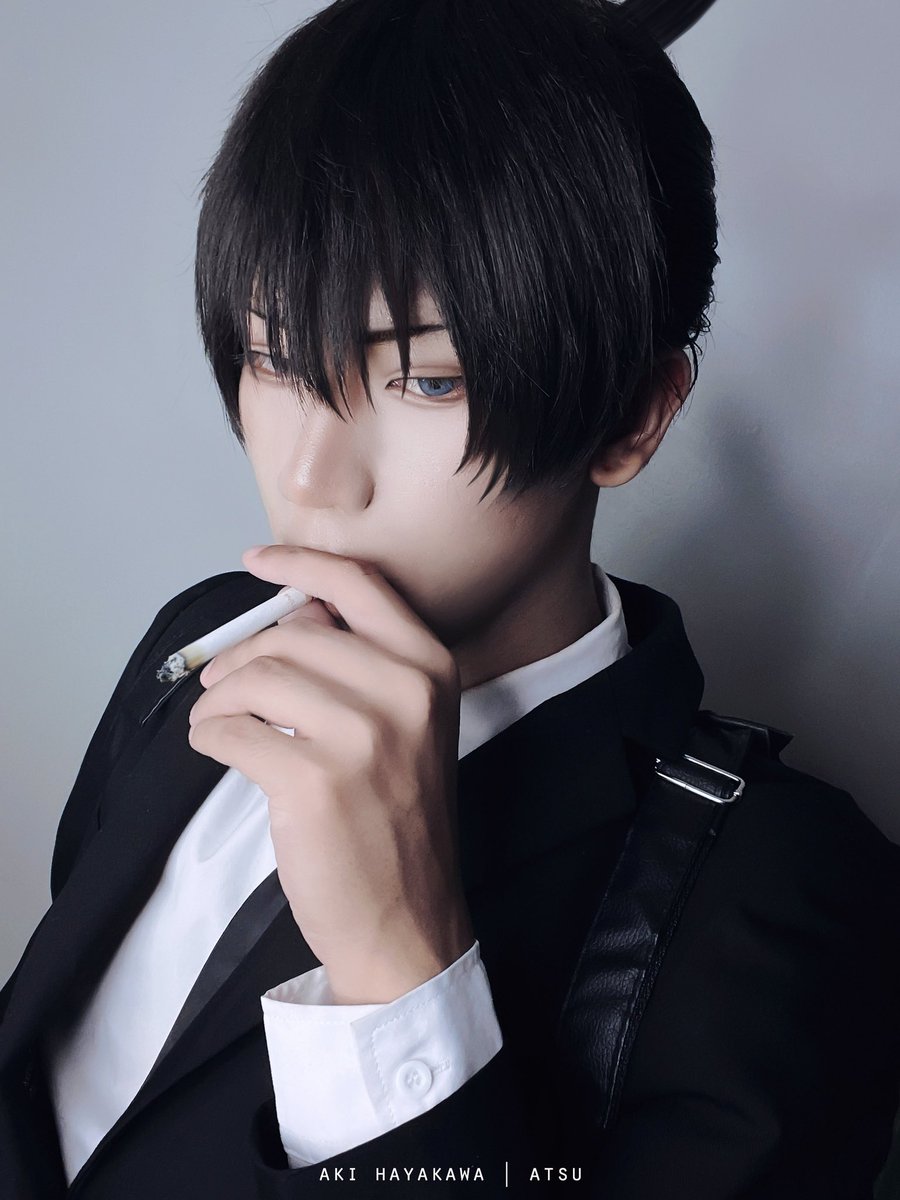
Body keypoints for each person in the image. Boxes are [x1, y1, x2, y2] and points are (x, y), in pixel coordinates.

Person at [2, 0, 899, 1195]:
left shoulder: (782, 900)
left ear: (633, 415)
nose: (312, 479)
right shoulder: (205, 635)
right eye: (274, 358)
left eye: (427, 380)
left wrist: (401, 972)